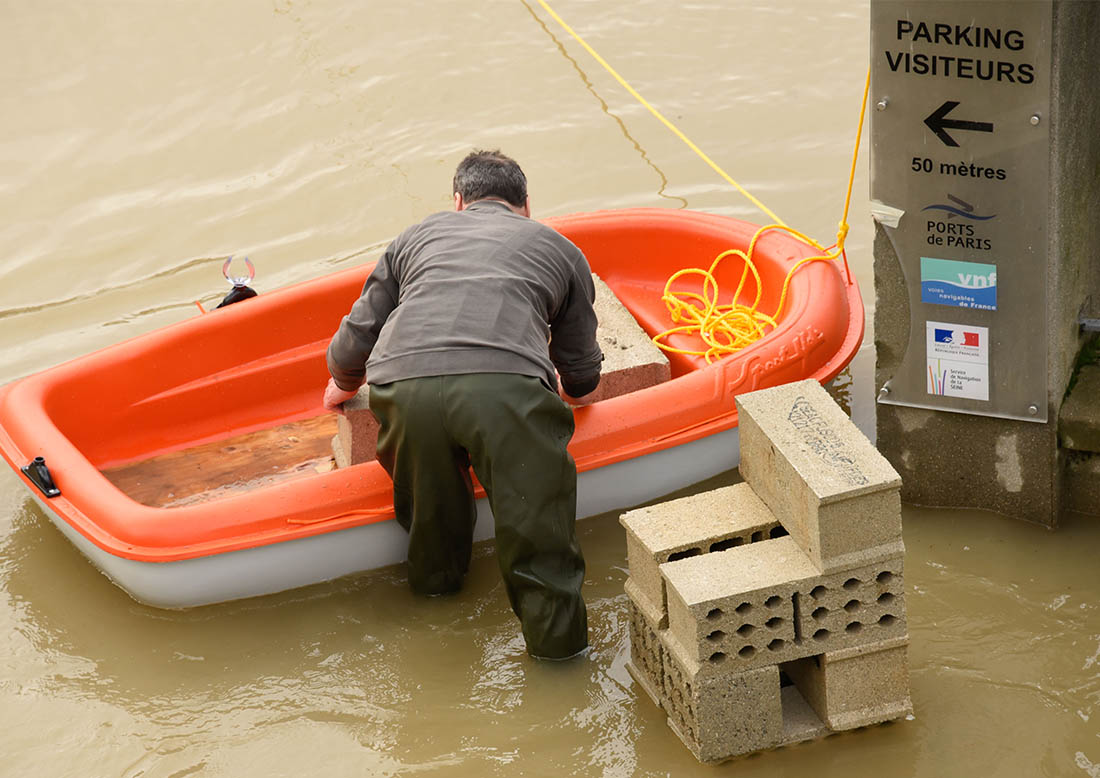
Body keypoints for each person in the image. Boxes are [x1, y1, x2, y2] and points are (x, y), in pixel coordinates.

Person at [322, 150, 603, 660]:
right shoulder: (560, 249)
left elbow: (358, 332)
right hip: (504, 391)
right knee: (539, 543)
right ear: (526, 205)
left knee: (431, 525)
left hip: (403, 388)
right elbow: (580, 376)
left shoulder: (415, 238)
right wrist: (568, 396)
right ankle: (559, 664)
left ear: (458, 202)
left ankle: (436, 630)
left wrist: (341, 383)